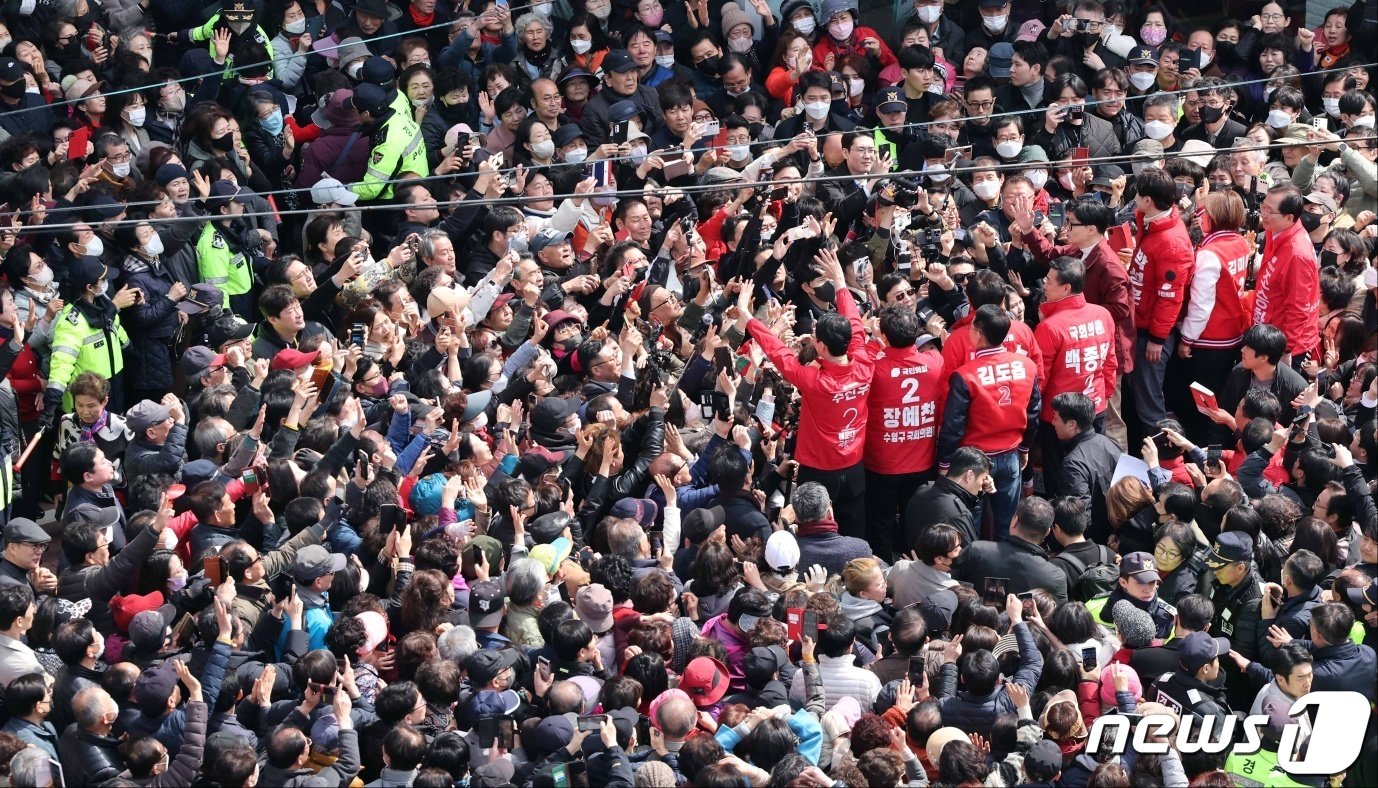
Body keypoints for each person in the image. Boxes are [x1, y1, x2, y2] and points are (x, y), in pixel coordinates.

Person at [738, 247, 874, 538]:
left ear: (821, 346)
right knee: (856, 531)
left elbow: (778, 352)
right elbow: (855, 324)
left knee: (814, 534)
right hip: (854, 466)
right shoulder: (864, 364)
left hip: (819, 472)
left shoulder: (813, 380)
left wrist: (747, 316)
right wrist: (839, 282)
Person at [937, 305, 1041, 536]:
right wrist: (1025, 448)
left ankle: (971, 570)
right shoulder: (1027, 366)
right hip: (1011, 454)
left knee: (969, 527)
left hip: (974, 462)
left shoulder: (965, 375)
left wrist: (944, 464)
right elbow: (1033, 413)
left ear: (977, 333)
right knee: (1008, 525)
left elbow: (953, 426)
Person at [863, 305, 945, 561]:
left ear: (885, 336)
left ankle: (884, 572)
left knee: (881, 524)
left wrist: (874, 341)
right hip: (923, 461)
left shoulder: (875, 368)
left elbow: (860, 359)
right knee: (919, 522)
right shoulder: (934, 361)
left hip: (882, 463)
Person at [1126, 168, 1193, 437]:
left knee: (1149, 406)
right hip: (1140, 324)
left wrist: (1156, 338)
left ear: (1148, 200)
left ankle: (1165, 463)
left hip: (1152, 335)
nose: (1135, 200)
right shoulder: (1152, 221)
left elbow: (1171, 297)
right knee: (1139, 398)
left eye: (1138, 195)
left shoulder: (1171, 242)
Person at [952, 497, 1070, 605]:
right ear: (1048, 532)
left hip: (973, 625)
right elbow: (1057, 620)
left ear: (1014, 521)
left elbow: (949, 585)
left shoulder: (977, 551)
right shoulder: (1055, 577)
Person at [1252, 184, 1320, 366]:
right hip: (1266, 325)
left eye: (1269, 211)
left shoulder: (1298, 255)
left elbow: (1299, 309)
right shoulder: (1276, 229)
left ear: (1289, 217)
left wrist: (1286, 349)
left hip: (1284, 345)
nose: (1263, 214)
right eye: (1263, 206)